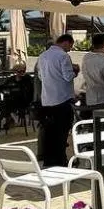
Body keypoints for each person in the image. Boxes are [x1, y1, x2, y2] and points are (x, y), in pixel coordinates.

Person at [36, 33, 77, 167]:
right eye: (70, 46)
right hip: (62, 99)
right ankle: (60, 160)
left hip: (47, 100)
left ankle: (49, 160)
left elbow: (41, 76)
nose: (70, 49)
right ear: (66, 42)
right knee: (61, 133)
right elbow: (68, 76)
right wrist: (75, 71)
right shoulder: (63, 56)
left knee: (50, 132)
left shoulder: (42, 56)